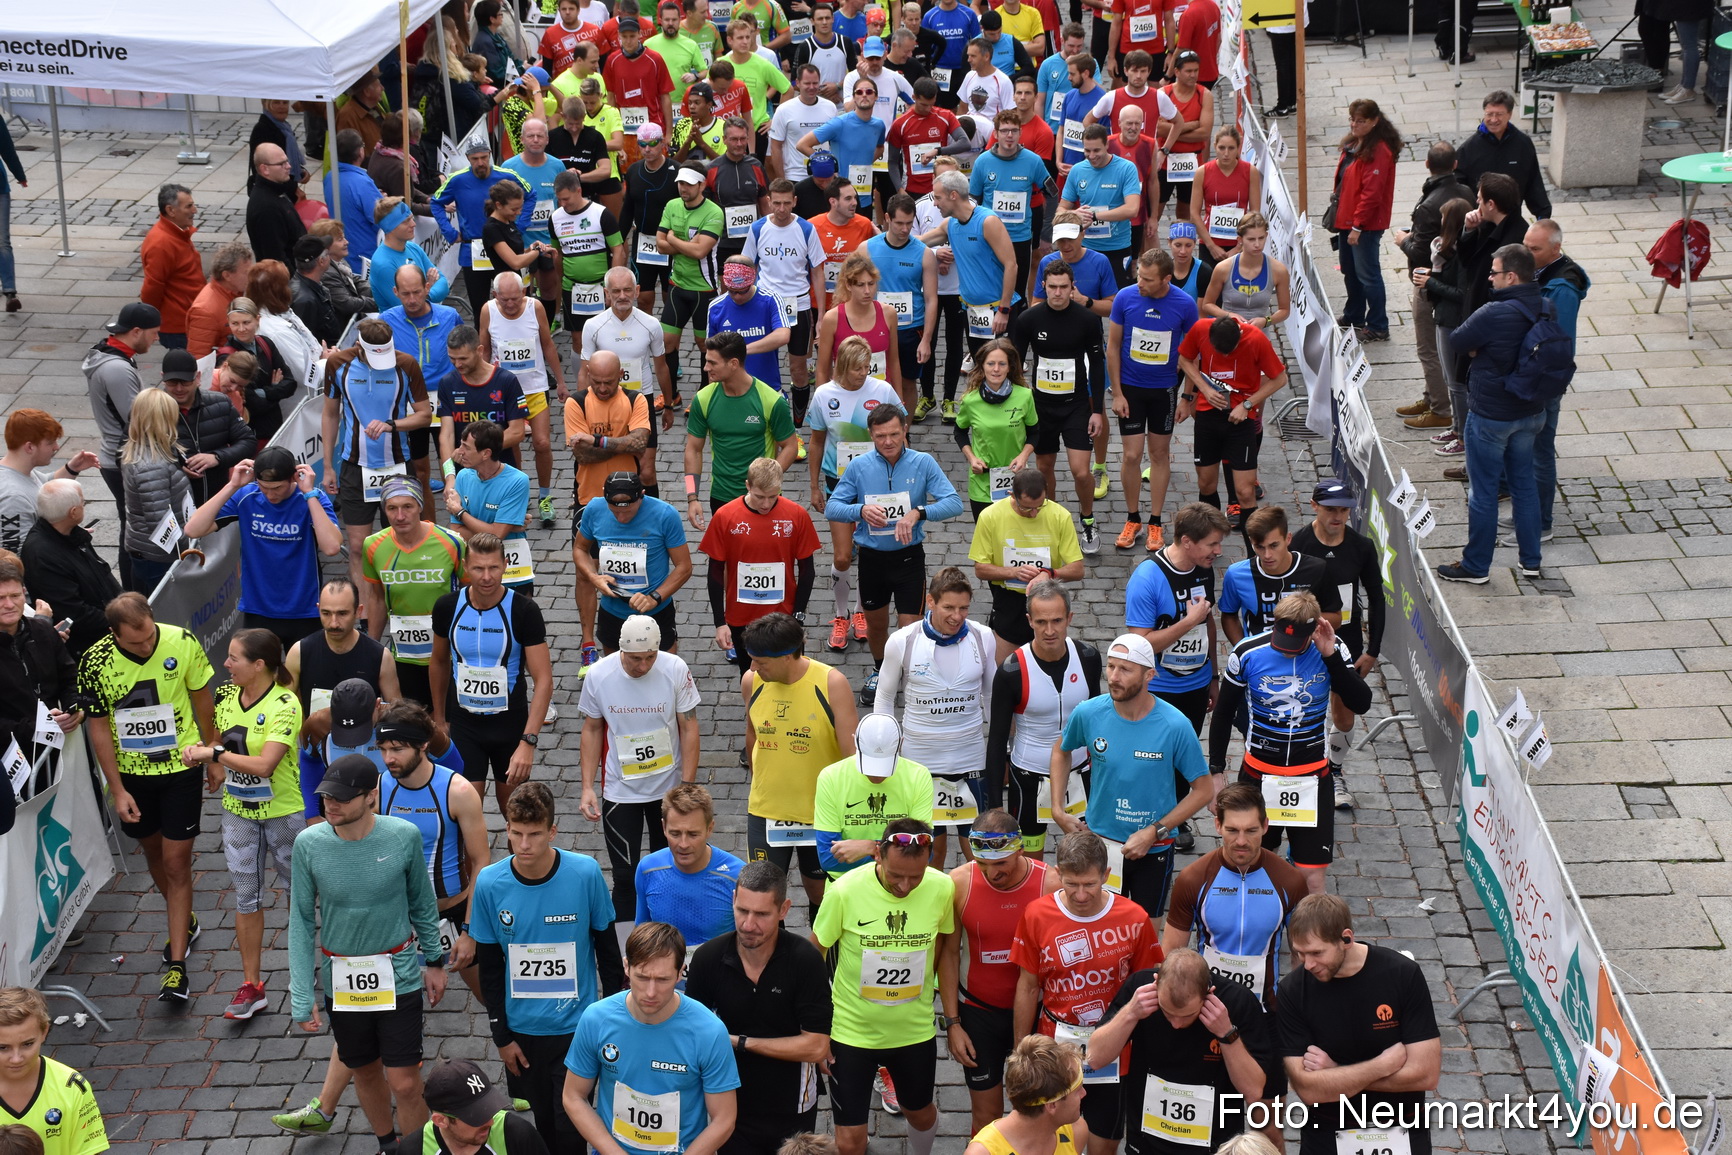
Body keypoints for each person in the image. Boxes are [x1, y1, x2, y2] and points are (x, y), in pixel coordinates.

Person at [290, 754, 449, 1148]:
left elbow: (422, 904)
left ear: (371, 797)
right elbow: (300, 922)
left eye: (342, 797)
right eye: (326, 796)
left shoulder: (403, 836)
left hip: (399, 973)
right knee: (363, 1072)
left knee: (406, 1082)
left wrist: (435, 960)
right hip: (341, 982)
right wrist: (301, 993)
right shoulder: (308, 845)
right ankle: (386, 1144)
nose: (331, 804)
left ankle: (416, 1148)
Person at [77, 592, 216, 1000]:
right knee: (154, 854)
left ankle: (177, 966)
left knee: (176, 863)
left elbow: (203, 699)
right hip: (133, 776)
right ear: (113, 634)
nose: (146, 646)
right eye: (135, 643)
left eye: (150, 637)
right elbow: (97, 727)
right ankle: (183, 920)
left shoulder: (182, 641)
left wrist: (214, 753)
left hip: (180, 768)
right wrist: (116, 789)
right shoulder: (95, 661)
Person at [472, 781, 624, 1151]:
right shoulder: (490, 884)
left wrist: (616, 1018)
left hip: (577, 1028)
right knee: (544, 1122)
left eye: (535, 834)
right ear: (506, 828)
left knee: (570, 1122)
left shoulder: (585, 874)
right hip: (524, 1033)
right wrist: (502, 1037)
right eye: (516, 833)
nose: (524, 845)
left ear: (553, 831)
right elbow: (490, 967)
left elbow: (607, 952)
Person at [1010, 829, 1163, 1155]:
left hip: (1116, 1052)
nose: (1081, 895)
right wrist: (1020, 1049)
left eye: (1090, 885)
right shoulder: (1037, 914)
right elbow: (1027, 986)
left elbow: (1150, 989)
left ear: (1107, 874)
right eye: (1071, 884)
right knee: (1052, 1143)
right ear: (1058, 874)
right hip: (1053, 1048)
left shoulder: (1134, 919)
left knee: (1102, 1146)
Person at [176, 629, 302, 1021]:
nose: (225, 665)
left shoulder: (286, 704)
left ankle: (317, 969)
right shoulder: (227, 696)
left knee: (301, 894)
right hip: (238, 812)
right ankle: (252, 985)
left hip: (282, 813)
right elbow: (217, 736)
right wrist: (208, 760)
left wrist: (215, 754)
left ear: (259, 665)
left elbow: (266, 764)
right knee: (246, 896)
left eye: (233, 659)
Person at [1209, 594, 1370, 895]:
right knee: (1250, 868)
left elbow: (1361, 702)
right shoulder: (1247, 652)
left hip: (1311, 777)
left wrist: (1331, 657)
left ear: (1313, 632)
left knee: (1312, 878)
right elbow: (1222, 714)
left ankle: (1307, 941)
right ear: (1275, 622)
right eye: (1280, 639)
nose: (1285, 651)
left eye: (1295, 646)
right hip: (1258, 776)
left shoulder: (1332, 649)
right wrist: (1216, 772)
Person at [814, 817, 955, 1155]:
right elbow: (812, 956)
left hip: (912, 1030)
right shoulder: (845, 891)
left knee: (920, 1115)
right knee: (849, 1142)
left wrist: (952, 1020)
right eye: (896, 876)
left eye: (915, 877)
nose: (905, 887)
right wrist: (817, 1028)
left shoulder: (942, 887)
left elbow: (947, 952)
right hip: (851, 1031)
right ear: (877, 854)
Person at [1049, 635, 1213, 922]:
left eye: (1125, 670)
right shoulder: (1089, 713)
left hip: (1154, 848)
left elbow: (1203, 790)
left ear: (1149, 674)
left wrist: (1154, 831)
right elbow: (1061, 750)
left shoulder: (1175, 725)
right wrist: (1057, 810)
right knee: (1100, 925)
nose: (1114, 677)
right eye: (1111, 667)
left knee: (1147, 929)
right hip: (1101, 844)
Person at [685, 862, 835, 1155]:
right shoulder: (707, 959)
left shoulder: (805, 961)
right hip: (729, 1100)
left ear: (784, 909)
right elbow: (693, 1037)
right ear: (733, 900)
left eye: (762, 914)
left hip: (793, 1104)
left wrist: (740, 1042)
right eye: (742, 910)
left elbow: (817, 1047)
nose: (748, 924)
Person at [1277, 894, 1442, 1155]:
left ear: (1346, 939)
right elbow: (1309, 1090)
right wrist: (1382, 1065)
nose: (1307, 964)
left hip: (1401, 1127)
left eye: (1317, 953)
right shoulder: (1292, 991)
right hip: (1327, 1132)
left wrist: (1336, 1072)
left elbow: (1425, 1075)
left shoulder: (1402, 974)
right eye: (1300, 953)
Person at [562, 922, 741, 1155]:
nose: (651, 992)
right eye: (642, 977)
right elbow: (573, 1096)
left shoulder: (708, 1031)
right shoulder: (597, 1019)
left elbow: (724, 1119)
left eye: (663, 980)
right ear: (627, 967)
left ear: (680, 973)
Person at [824, 404, 965, 700]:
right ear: (871, 436)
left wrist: (918, 512)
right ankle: (880, 670)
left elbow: (954, 502)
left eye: (893, 434)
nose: (887, 442)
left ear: (904, 430)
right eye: (880, 436)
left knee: (909, 626)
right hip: (873, 559)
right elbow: (832, 507)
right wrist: (860, 510)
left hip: (908, 557)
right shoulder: (859, 466)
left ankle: (908, 673)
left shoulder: (922, 463)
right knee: (876, 627)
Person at [1088, 947, 1284, 1155]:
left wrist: (1227, 1034)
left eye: (1187, 1015)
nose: (1175, 1023)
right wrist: (1130, 1012)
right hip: (1146, 1142)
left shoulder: (1237, 1002)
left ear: (1209, 993)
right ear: (1156, 983)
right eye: (1166, 1012)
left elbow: (1253, 1091)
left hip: (1214, 1145)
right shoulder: (1140, 990)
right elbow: (1094, 1058)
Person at [1436, 242, 1551, 584]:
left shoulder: (1493, 312)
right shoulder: (1546, 307)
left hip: (1491, 415)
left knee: (1483, 491)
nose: (1490, 278)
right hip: (1531, 413)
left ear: (1512, 276)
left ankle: (1476, 566)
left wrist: (1477, 348)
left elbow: (1457, 340)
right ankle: (1531, 561)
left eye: (1494, 272)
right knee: (1524, 486)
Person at [579, 614, 703, 919]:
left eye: (650, 657)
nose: (643, 666)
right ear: (620, 650)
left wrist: (686, 785)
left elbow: (688, 726)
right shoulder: (599, 674)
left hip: (668, 791)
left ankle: (673, 942)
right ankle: (626, 952)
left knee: (672, 871)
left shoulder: (675, 668)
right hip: (622, 792)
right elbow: (592, 729)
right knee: (624, 878)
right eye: (635, 659)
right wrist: (586, 787)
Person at [941, 811, 1057, 1135]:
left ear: (1020, 850)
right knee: (986, 1117)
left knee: (1038, 1110)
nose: (992, 874)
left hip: (1036, 1011)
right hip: (979, 1013)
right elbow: (949, 955)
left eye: (1001, 864)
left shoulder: (1049, 883)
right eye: (983, 864)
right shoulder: (960, 882)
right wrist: (952, 1023)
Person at [873, 567, 995, 860]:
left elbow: (991, 695)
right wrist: (884, 753)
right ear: (930, 602)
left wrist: (1001, 750)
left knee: (979, 853)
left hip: (970, 760)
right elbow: (885, 697)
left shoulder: (984, 637)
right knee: (929, 854)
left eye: (964, 608)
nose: (957, 616)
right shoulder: (903, 640)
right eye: (949, 607)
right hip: (920, 763)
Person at [739, 611, 857, 908]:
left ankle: (821, 955)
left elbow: (852, 758)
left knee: (824, 897)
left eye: (761, 662)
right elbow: (752, 735)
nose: (753, 667)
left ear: (788, 656)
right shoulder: (751, 681)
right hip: (766, 812)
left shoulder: (832, 683)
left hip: (820, 816)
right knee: (762, 899)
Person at [430, 532, 554, 812]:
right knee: (465, 813)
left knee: (516, 816)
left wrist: (528, 741)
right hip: (464, 725)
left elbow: (544, 680)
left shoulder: (524, 611)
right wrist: (439, 719)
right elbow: (438, 662)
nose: (486, 577)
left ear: (506, 565)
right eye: (478, 568)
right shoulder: (447, 607)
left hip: (509, 726)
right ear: (465, 567)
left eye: (493, 568)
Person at [1161, 783, 1308, 1009]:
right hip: (1207, 1007)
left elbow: (1303, 955)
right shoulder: (1193, 878)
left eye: (1250, 830)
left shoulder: (1289, 880)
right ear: (1218, 825)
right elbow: (1170, 953)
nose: (1241, 841)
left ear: (1265, 826)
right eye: (1232, 830)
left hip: (1265, 1009)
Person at [184, 448, 343, 654]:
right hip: (258, 609)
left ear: (293, 477)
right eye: (264, 487)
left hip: (305, 609)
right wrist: (232, 485)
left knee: (305, 681)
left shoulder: (313, 498)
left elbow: (331, 547)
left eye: (277, 488)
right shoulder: (246, 496)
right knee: (260, 682)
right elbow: (193, 529)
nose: (270, 494)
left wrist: (309, 494)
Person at [1290, 479, 1384, 809]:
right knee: (1301, 704)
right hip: (1304, 636)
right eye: (1331, 510)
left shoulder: (1361, 546)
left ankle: (1335, 770)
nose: (1338, 517)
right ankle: (1300, 767)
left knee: (1344, 712)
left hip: (1347, 638)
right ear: (1314, 506)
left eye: (1344, 510)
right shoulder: (1299, 543)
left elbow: (1376, 598)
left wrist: (1372, 650)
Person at [320, 319, 433, 586]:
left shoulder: (406, 364)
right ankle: (366, 614)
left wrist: (392, 425)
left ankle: (399, 600)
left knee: (400, 539)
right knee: (358, 546)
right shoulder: (337, 365)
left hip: (397, 466)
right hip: (355, 467)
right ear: (358, 346)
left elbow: (425, 415)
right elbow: (330, 414)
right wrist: (327, 466)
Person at [806, 338, 903, 651]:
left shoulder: (882, 391)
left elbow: (902, 431)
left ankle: (860, 611)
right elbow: (817, 442)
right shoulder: (824, 395)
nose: (864, 373)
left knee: (869, 551)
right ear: (843, 366)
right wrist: (814, 485)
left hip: (876, 484)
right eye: (858, 368)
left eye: (868, 366)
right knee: (842, 555)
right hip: (840, 484)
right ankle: (840, 614)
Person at [1107, 248, 1198, 552]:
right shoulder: (1125, 297)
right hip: (1131, 389)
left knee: (1159, 455)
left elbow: (1192, 353)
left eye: (1147, 279)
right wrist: (1117, 393)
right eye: (1139, 275)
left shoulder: (1184, 305)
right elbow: (1113, 346)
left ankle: (1155, 521)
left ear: (1166, 279)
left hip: (1164, 391)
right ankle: (1132, 518)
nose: (1140, 282)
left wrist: (1187, 397)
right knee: (1132, 456)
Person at [1011, 260, 1105, 549]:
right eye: (1052, 287)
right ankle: (1048, 520)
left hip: (1076, 405)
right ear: (1044, 286)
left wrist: (1098, 410)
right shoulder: (1029, 319)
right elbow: (1014, 362)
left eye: (1064, 287)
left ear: (1073, 287)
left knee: (1080, 471)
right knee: (1044, 467)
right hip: (1041, 406)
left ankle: (1087, 521)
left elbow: (1098, 367)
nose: (1058, 292)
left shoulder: (1087, 320)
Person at [699, 457, 821, 672]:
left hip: (783, 614)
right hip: (741, 615)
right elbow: (715, 572)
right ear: (747, 486)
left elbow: (807, 570)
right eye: (759, 497)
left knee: (789, 674)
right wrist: (720, 622)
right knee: (750, 674)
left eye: (773, 497)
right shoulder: (725, 516)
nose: (766, 504)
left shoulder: (796, 515)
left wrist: (799, 617)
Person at [1125, 499, 1227, 735]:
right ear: (1187, 542)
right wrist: (1189, 621)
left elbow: (1207, 622)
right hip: (1159, 690)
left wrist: (1213, 676)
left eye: (1219, 544)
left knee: (1185, 761)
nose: (1218, 551)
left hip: (1198, 686)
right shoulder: (1146, 579)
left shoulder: (1203, 566)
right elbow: (1140, 644)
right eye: (1212, 544)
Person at [362, 479, 465, 709]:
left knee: (447, 726)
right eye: (392, 508)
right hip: (403, 654)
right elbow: (377, 599)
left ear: (420, 506)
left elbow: (469, 594)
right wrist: (371, 648)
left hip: (447, 654)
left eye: (407, 506)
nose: (400, 516)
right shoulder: (373, 546)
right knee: (411, 724)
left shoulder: (452, 542)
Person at [572, 472, 694, 665]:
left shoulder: (665, 514)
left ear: (642, 495)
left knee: (665, 674)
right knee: (617, 676)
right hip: (612, 611)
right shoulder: (594, 509)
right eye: (614, 511)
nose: (621, 518)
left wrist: (654, 597)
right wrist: (594, 577)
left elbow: (684, 567)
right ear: (604, 496)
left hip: (656, 612)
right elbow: (580, 548)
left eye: (628, 511)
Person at [1176, 313, 1286, 524]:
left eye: (1230, 352)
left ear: (1240, 335)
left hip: (1241, 420)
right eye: (1219, 352)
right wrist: (1204, 389)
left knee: (1245, 492)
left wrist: (1247, 405)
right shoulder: (1200, 329)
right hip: (1208, 415)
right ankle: (1210, 541)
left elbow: (1280, 378)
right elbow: (1185, 359)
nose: (1225, 356)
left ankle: (1252, 552)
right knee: (1206, 484)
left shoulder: (1255, 338)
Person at [1391, 143, 1472, 432]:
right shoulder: (1466, 192)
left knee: (1428, 347)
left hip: (1430, 284)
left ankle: (1439, 407)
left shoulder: (1429, 204)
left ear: (1427, 164)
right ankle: (1431, 396)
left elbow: (1421, 253)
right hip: (1451, 279)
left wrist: (1403, 240)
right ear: (1455, 163)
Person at [683, 331, 799, 527]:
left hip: (764, 500)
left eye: (712, 363)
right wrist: (692, 498)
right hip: (721, 496)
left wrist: (766, 483)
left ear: (734, 364)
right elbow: (693, 450)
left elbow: (790, 447)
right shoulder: (703, 399)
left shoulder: (771, 400)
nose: (705, 368)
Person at [481, 271, 569, 528]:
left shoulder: (535, 307)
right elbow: (484, 348)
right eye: (504, 299)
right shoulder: (488, 311)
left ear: (525, 293)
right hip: (503, 391)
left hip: (535, 387)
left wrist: (561, 381)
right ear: (495, 295)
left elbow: (547, 345)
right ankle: (519, 495)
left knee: (542, 442)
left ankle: (544, 496)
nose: (510, 305)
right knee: (511, 445)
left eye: (515, 299)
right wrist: (482, 383)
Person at [968, 470, 1084, 665]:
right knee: (1006, 669)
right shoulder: (990, 516)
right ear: (1011, 495)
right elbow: (980, 569)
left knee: (1050, 666)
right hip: (1009, 601)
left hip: (1047, 601)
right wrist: (1013, 572)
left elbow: (1078, 569)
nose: (1034, 513)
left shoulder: (1059, 515)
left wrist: (1049, 573)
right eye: (1027, 508)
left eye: (1040, 506)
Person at [0, 555, 79, 837]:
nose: (9, 604)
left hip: (54, 750)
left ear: (24, 594)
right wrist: (33, 728)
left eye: (14, 595)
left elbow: (70, 675)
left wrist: (74, 708)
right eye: (0, 597)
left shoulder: (42, 630)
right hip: (9, 760)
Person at [581, 268, 678, 496]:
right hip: (605, 402)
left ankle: (652, 518)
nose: (622, 296)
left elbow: (661, 366)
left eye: (627, 290)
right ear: (607, 294)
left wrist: (668, 404)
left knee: (646, 471)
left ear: (636, 291)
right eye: (616, 291)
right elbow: (585, 371)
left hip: (640, 403)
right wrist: (582, 407)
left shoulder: (651, 324)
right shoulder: (593, 326)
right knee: (607, 464)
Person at [1523, 219, 1589, 545]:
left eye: (1534, 248)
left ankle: (1541, 524)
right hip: (1532, 376)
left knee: (1540, 450)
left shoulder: (1561, 288)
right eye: (1526, 244)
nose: (1527, 252)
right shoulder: (1540, 274)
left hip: (1544, 380)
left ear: (1555, 249)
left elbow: (1554, 342)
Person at [84, 301, 160, 587]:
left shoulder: (112, 355)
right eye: (154, 333)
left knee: (131, 526)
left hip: (117, 455)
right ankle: (133, 593)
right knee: (134, 531)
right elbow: (137, 419)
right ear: (137, 331)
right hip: (122, 458)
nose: (156, 339)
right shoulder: (117, 368)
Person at [812, 713, 936, 877]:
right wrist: (896, 850)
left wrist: (871, 848)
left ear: (901, 744)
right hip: (849, 885)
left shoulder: (919, 776)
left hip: (897, 883)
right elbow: (828, 858)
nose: (877, 776)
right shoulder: (830, 777)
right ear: (854, 741)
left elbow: (924, 852)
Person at [746, 180, 830, 418]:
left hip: (799, 305)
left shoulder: (806, 229)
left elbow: (817, 271)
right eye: (776, 203)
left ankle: (798, 423)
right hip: (766, 304)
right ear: (769, 202)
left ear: (794, 201)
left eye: (786, 203)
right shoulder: (758, 228)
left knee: (798, 367)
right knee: (762, 363)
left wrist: (821, 315)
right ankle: (762, 416)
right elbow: (747, 265)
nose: (781, 209)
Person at [20, 482, 122, 658]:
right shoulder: (42, 555)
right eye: (83, 502)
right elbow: (73, 611)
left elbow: (101, 570)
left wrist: (125, 603)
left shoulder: (71, 533)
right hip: (88, 646)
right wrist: (121, 619)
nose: (84, 505)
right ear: (73, 512)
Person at [0, 989, 108, 1155]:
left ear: (44, 1032)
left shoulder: (71, 1086)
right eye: (3, 1048)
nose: (16, 1058)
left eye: (27, 1044)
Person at [635, 783, 742, 950]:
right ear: (663, 827)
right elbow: (641, 935)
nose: (683, 844)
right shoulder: (647, 869)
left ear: (710, 828)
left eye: (693, 834)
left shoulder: (737, 875)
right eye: (675, 834)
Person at [434, 145, 538, 315]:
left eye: (484, 157)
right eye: (475, 159)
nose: (481, 163)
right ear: (468, 159)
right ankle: (483, 340)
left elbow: (531, 194)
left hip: (504, 247)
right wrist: (449, 233)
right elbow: (435, 202)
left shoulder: (507, 175)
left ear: (490, 154)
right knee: (480, 308)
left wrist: (519, 226)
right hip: (472, 251)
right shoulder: (456, 179)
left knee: (513, 303)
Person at [1217, 505, 1339, 644]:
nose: (1267, 555)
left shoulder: (1317, 569)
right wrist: (1243, 651)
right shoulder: (1236, 574)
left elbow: (1336, 617)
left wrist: (1303, 623)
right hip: (1260, 659)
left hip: (1304, 657)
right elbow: (1229, 616)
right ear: (1251, 542)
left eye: (1274, 545)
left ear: (1288, 538)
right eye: (1259, 547)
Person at [1331, 99, 1400, 342]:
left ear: (1374, 122)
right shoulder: (1354, 143)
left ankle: (1379, 324)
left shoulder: (1379, 151)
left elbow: (1372, 195)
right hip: (1347, 220)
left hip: (1364, 225)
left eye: (1360, 121)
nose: (1354, 124)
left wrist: (1358, 226)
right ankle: (1354, 315)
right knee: (1350, 270)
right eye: (1352, 119)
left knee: (1368, 274)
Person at [864, 194, 940, 413]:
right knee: (875, 382)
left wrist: (926, 340)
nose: (905, 229)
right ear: (887, 218)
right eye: (899, 223)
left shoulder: (924, 253)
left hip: (910, 329)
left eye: (909, 223)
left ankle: (905, 434)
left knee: (908, 383)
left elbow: (931, 299)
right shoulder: (867, 249)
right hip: (876, 327)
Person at [928, 170, 1020, 349]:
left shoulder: (987, 222)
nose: (935, 203)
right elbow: (920, 241)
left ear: (953, 195)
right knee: (980, 366)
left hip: (998, 311)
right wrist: (883, 238)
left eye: (938, 198)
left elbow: (1011, 265)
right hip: (972, 312)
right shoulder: (950, 224)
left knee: (1001, 369)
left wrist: (1004, 309)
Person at [286, 577, 398, 717]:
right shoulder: (299, 652)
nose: (333, 623)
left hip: (364, 737)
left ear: (358, 611)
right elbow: (284, 709)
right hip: (314, 737)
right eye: (326, 613)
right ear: (318, 609)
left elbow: (395, 714)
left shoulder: (380, 656)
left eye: (342, 613)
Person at [118, 388, 194, 595]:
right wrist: (190, 546)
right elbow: (160, 524)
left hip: (150, 552)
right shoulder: (151, 465)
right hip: (159, 558)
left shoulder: (150, 454)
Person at [446, 421, 534, 594]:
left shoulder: (517, 481)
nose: (459, 452)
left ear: (486, 453)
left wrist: (460, 512)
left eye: (466, 447)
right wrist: (506, 526)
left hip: (513, 571)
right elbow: (457, 530)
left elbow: (496, 534)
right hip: (475, 568)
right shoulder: (463, 476)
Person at [963, 1035, 1090, 1155]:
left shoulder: (1076, 1131)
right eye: (1077, 1090)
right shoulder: (983, 1152)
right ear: (1052, 1105)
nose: (1084, 1093)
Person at [954, 340, 1037, 520]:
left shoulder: (1025, 396)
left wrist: (1024, 456)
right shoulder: (970, 400)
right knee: (986, 540)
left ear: (1010, 367)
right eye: (991, 364)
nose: (996, 369)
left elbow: (1035, 432)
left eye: (1002, 364)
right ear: (982, 366)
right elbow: (959, 432)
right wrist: (972, 458)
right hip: (982, 484)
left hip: (1017, 479)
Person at [658, 165, 727, 376]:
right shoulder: (672, 205)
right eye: (680, 183)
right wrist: (687, 243)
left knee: (705, 345)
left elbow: (699, 251)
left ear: (702, 184)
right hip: (677, 286)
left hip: (703, 290)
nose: (683, 188)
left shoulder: (714, 212)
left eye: (688, 183)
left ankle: (702, 395)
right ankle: (672, 397)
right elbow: (660, 246)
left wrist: (672, 238)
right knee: (666, 342)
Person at [0, 412, 97, 557]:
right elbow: (18, 557)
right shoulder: (13, 498)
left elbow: (45, 487)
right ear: (30, 447)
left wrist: (72, 468)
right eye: (50, 442)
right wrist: (66, 538)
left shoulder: (21, 471)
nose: (56, 447)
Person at [565, 350, 652, 509]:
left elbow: (639, 444)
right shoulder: (576, 403)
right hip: (589, 498)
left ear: (621, 374)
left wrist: (596, 441)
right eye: (597, 382)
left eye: (609, 382)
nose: (603, 389)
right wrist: (625, 444)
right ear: (589, 373)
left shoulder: (635, 400)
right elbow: (583, 454)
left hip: (628, 496)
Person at [439, 325, 529, 473]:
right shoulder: (447, 383)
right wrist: (449, 475)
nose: (457, 364)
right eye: (452, 359)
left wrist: (475, 452)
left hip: (501, 470)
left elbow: (517, 432)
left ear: (479, 351)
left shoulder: (506, 381)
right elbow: (446, 435)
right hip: (464, 473)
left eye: (463, 358)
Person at [796, 77, 890, 216]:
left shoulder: (879, 125)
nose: (864, 95)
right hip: (840, 198)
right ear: (854, 97)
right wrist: (828, 166)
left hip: (864, 196)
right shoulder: (839, 123)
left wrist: (864, 164)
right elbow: (802, 144)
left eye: (869, 91)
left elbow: (880, 148)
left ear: (876, 96)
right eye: (859, 92)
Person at [1454, 91, 1550, 221]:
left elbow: (1533, 181)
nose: (1494, 119)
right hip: (1480, 222)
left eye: (1499, 114)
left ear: (1509, 114)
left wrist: (1542, 215)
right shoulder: (1468, 148)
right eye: (1489, 114)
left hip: (1511, 221)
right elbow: (1458, 186)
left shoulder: (1523, 144)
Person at [419, 1060, 551, 1155]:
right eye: (476, 1117)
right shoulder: (416, 1149)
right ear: (441, 1121)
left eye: (488, 1108)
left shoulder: (518, 1135)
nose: (491, 1122)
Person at [708, 260, 791, 394]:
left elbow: (783, 335)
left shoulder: (770, 300)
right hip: (730, 391)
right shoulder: (716, 307)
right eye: (732, 292)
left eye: (743, 291)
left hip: (767, 388)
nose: (737, 297)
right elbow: (712, 355)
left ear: (753, 280)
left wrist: (741, 350)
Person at [139, 184, 204, 350]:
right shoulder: (161, 243)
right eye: (188, 206)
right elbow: (152, 290)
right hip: (179, 326)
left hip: (188, 320)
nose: (194, 210)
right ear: (171, 210)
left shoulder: (176, 233)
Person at [1200, 213, 1290, 332]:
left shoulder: (1278, 270)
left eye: (1261, 238)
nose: (1257, 244)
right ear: (1240, 240)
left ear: (1266, 236)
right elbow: (1207, 304)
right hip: (1229, 336)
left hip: (1259, 337)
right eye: (1251, 239)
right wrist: (1228, 315)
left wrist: (1266, 320)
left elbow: (1285, 310)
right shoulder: (1223, 268)